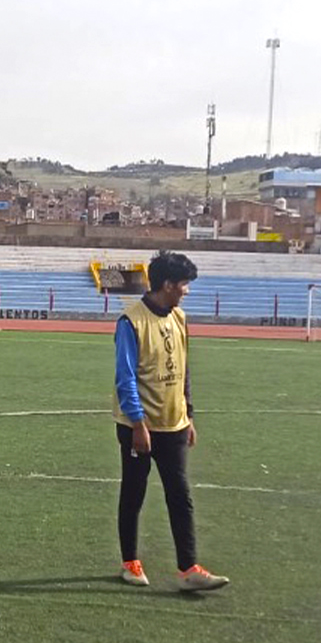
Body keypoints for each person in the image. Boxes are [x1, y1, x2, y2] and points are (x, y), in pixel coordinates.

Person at [113, 250, 226, 592]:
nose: (186, 291)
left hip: (174, 424)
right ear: (166, 284)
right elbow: (126, 377)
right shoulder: (130, 322)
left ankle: (188, 568)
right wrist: (137, 424)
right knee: (134, 493)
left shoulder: (180, 317)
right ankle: (130, 562)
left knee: (180, 495)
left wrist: (188, 414)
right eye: (183, 285)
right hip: (141, 427)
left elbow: (184, 368)